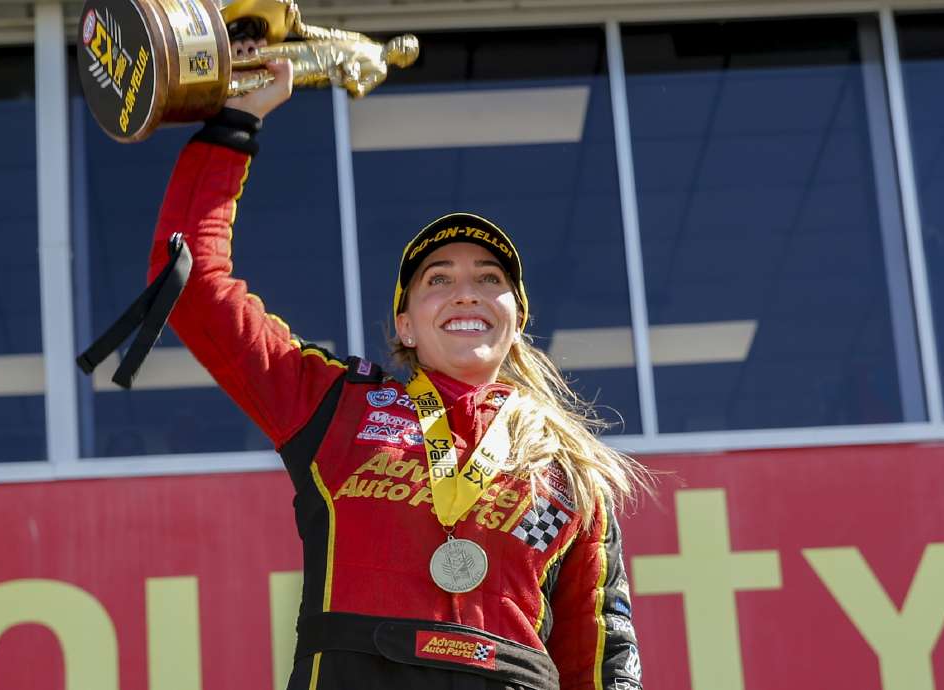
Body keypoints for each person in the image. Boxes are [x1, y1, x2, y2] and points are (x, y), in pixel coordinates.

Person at [147, 40, 648, 690]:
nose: (466, 291)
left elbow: (601, 670)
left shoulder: (573, 473)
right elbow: (193, 291)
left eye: (488, 278)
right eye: (438, 280)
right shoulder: (333, 406)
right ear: (406, 326)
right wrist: (235, 124)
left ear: (515, 317)